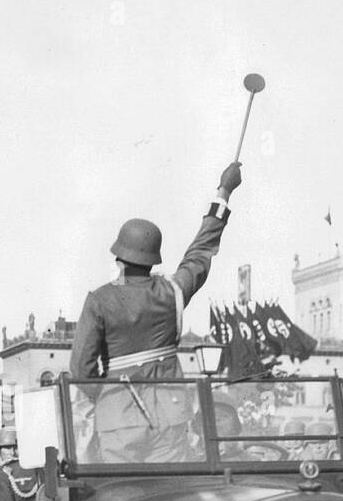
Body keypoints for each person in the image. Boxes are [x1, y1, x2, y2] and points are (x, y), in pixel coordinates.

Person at [69, 162, 242, 462]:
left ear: (119, 258)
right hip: (170, 415)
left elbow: (81, 370)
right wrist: (223, 192)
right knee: (166, 495)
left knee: (120, 499)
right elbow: (200, 253)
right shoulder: (172, 292)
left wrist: (110, 396)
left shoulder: (99, 300)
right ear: (152, 259)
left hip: (117, 419)